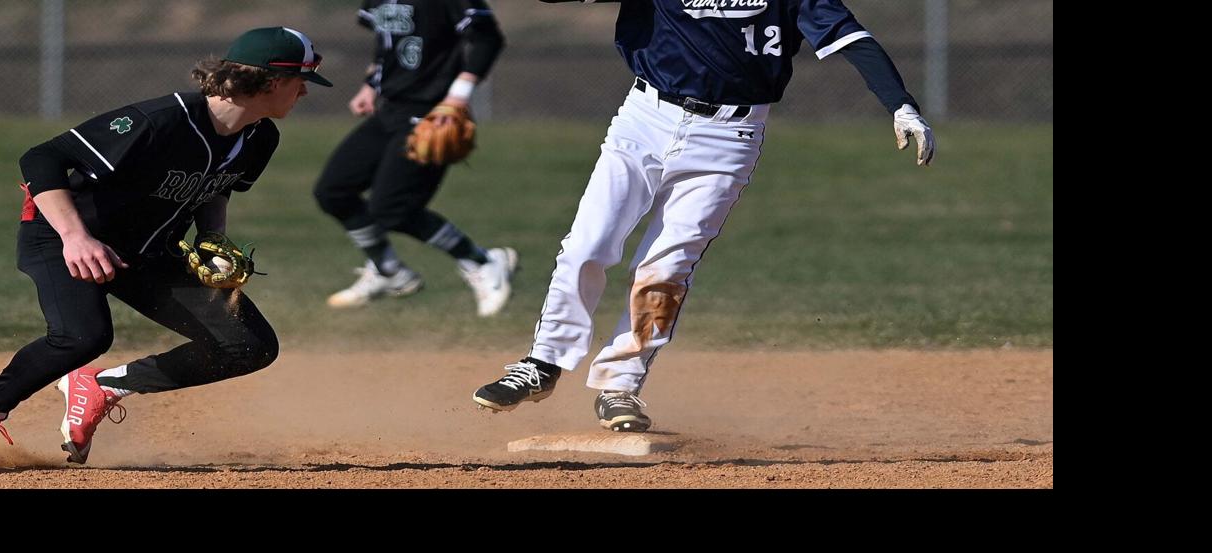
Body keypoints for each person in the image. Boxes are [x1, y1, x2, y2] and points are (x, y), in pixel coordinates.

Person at [473, 0, 934, 433]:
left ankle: (620, 385)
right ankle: (543, 363)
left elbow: (850, 37)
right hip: (643, 119)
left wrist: (901, 103)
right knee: (587, 245)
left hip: (730, 136)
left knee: (666, 268)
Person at [0, 26, 331, 474]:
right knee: (82, 337)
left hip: (148, 250)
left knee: (248, 344)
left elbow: (217, 189)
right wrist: (76, 237)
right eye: (300, 80)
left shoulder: (260, 137)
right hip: (64, 236)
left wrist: (212, 239)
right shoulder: (162, 120)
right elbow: (42, 158)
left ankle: (104, 388)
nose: (304, 91)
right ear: (268, 80)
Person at [315, 0, 517, 314]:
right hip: (390, 109)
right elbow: (387, 43)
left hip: (432, 112)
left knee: (392, 208)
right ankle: (388, 270)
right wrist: (370, 85)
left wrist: (458, 96)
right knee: (333, 190)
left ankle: (482, 261)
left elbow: (488, 37)